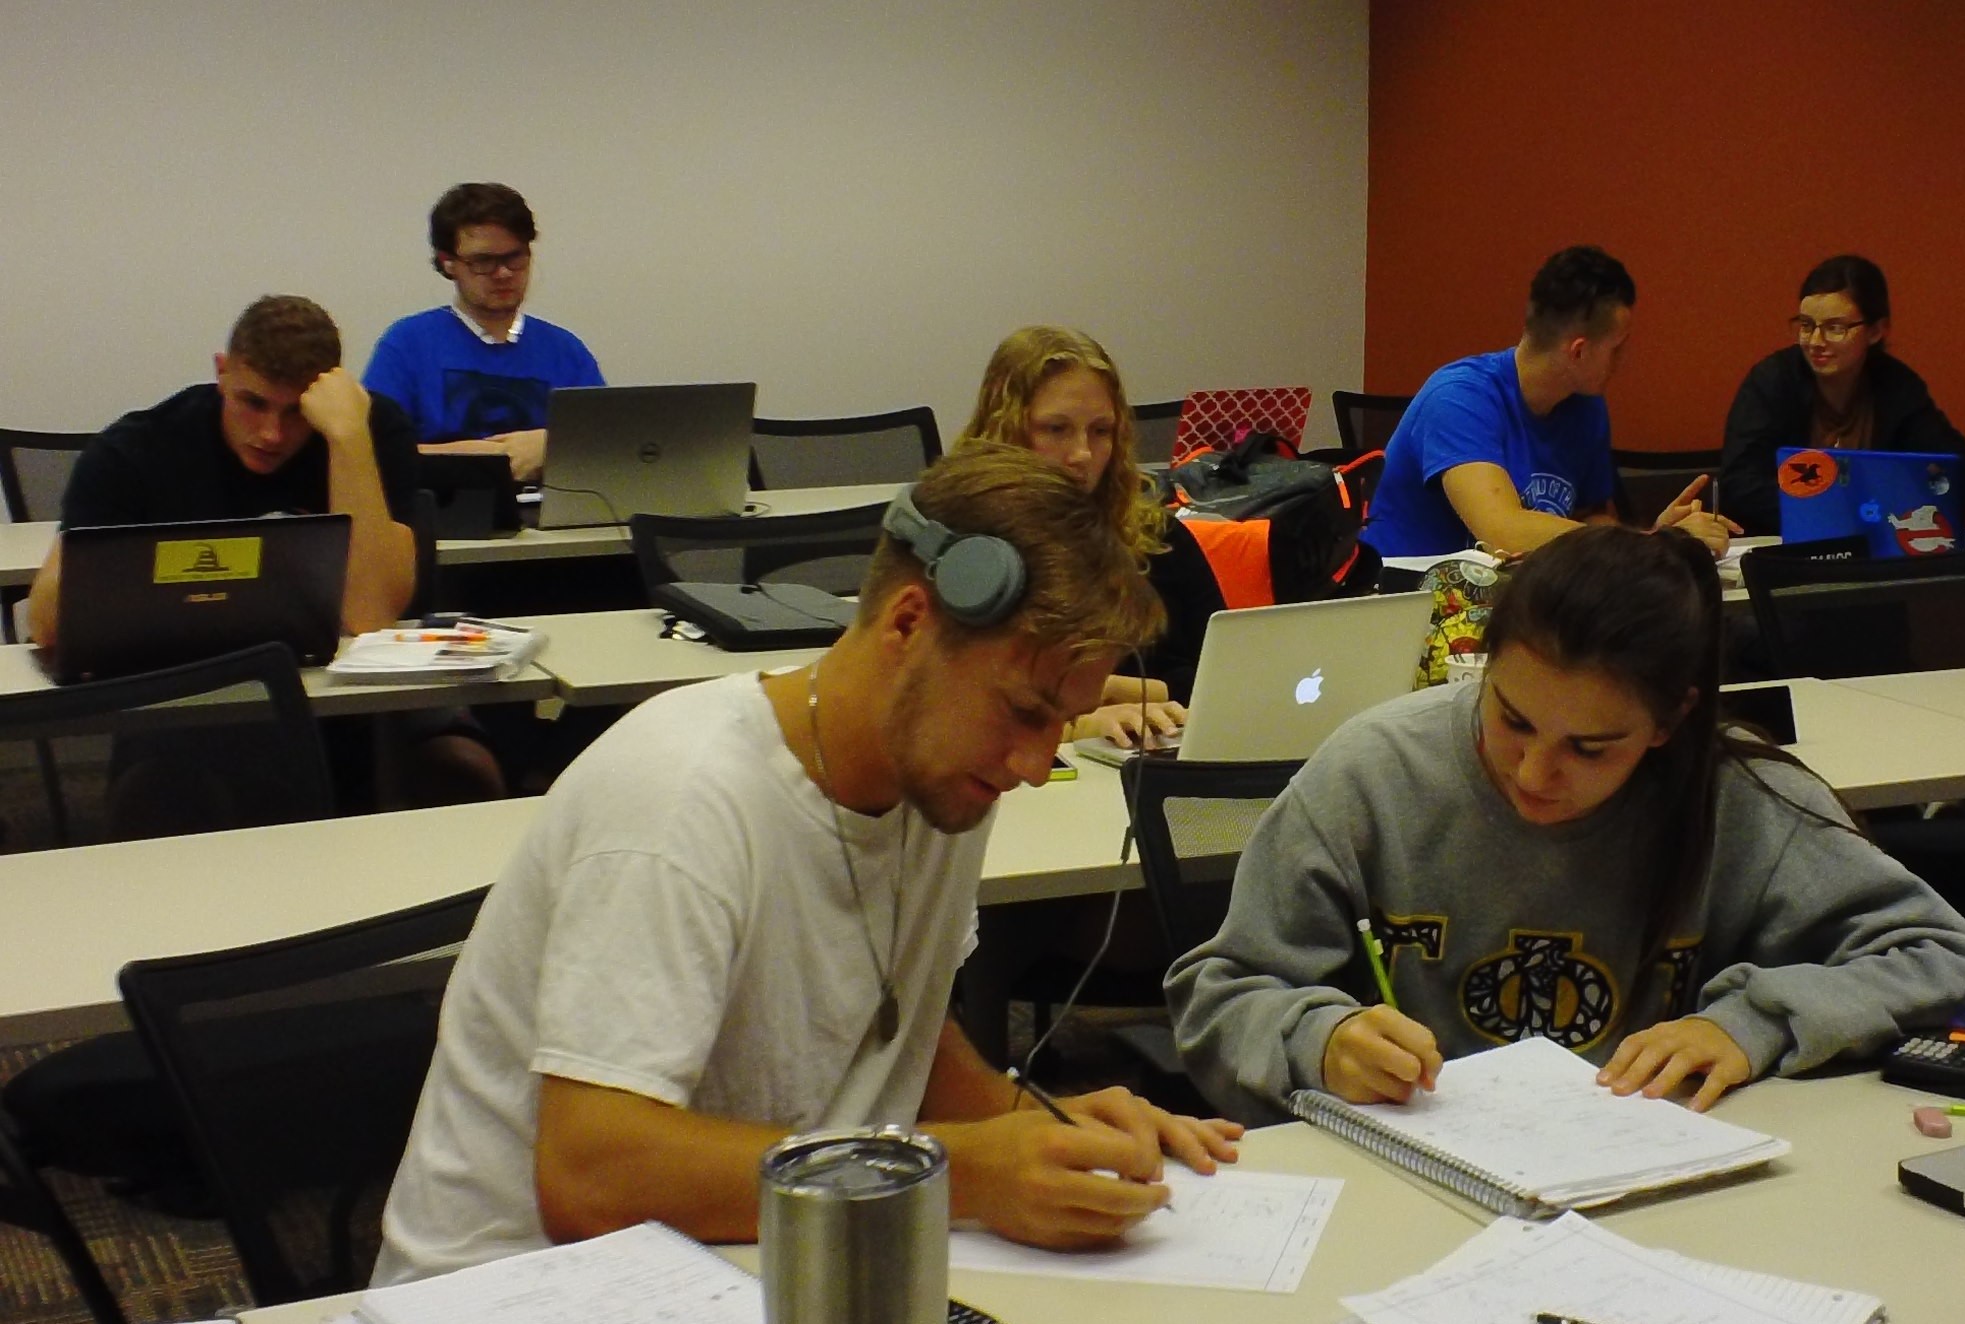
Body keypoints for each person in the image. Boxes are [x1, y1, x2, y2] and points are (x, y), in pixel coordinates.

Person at [374, 446, 1243, 1284]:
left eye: (1062, 720)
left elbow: (896, 1030)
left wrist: (1041, 1129)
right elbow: (590, 1177)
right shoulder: (682, 799)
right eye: (1023, 711)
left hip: (748, 1259)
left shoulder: (944, 776)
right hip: (516, 1288)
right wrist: (967, 1173)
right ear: (910, 621)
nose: (1034, 759)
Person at [1167, 524, 1965, 1126]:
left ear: (1670, 723)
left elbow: (1940, 955)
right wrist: (1321, 1038)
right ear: (1483, 665)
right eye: (1512, 720)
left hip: (1656, 1170)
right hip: (1412, 1172)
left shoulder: (1733, 794)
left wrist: (1749, 1022)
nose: (1534, 774)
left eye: (1590, 748)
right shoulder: (1376, 772)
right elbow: (1219, 993)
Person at [28, 295, 418, 648]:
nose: (271, 434)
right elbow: (48, 629)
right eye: (252, 402)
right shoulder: (134, 450)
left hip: (335, 699)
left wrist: (348, 441)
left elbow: (371, 617)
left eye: (297, 411)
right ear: (222, 372)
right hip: (182, 685)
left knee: (449, 727)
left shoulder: (368, 430)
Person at [1361, 245, 1736, 560]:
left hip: (1510, 601)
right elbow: (1503, 533)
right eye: (1617, 348)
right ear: (1579, 351)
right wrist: (1655, 545)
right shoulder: (1458, 398)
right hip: (1409, 606)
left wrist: (1652, 536)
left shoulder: (1585, 405)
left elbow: (1590, 521)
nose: (1624, 361)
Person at [954, 325, 1208, 748]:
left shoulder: (1157, 537)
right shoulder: (970, 553)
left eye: (1101, 431)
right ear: (1007, 430)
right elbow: (961, 703)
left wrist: (1118, 690)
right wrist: (1081, 722)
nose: (1082, 455)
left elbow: (1222, 676)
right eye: (1056, 429)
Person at [1718, 255, 1965, 536]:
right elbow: (1740, 486)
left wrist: (1895, 503)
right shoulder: (1771, 381)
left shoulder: (1895, 385)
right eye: (1807, 325)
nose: (1815, 342)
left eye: (1835, 328)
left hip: (1875, 545)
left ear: (1875, 331)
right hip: (1784, 544)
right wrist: (1845, 510)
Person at [362, 182, 604, 483]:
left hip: (551, 521)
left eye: (514, 257)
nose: (503, 273)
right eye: (483, 262)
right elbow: (371, 454)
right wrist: (486, 459)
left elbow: (605, 452)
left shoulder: (566, 351)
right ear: (447, 262)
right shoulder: (406, 346)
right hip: (446, 521)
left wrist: (548, 447)